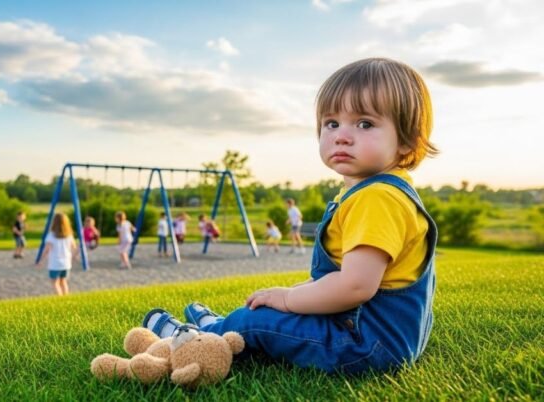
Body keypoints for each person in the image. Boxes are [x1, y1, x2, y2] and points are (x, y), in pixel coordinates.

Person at [141, 58, 439, 374]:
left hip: (366, 346)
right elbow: (339, 281)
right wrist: (295, 297)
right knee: (275, 312)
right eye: (332, 123)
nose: (342, 136)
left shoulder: (377, 198)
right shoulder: (377, 193)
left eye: (364, 123)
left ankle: (196, 339)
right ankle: (224, 325)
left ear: (407, 139)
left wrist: (288, 298)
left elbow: (355, 287)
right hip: (374, 335)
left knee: (256, 319)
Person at [36, 212, 77, 296]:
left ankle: (59, 298)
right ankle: (66, 297)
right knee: (63, 281)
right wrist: (73, 257)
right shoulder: (69, 235)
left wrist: (40, 260)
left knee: (55, 282)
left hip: (55, 263)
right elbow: (74, 247)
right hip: (66, 263)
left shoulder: (51, 236)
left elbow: (47, 249)